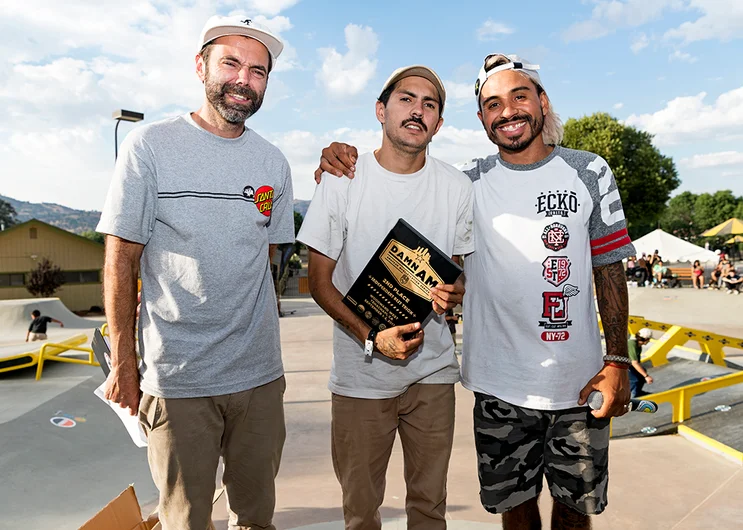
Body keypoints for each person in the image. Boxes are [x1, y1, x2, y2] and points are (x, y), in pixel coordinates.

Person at [315, 53, 635, 530]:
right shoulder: (467, 181)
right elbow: (426, 212)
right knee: (515, 512)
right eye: (492, 104)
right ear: (481, 118)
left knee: (575, 515)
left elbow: (609, 269)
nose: (508, 111)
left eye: (519, 96)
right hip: (496, 384)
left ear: (543, 102)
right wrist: (338, 156)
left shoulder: (588, 170)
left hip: (578, 383)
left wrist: (617, 362)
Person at [96, 15, 294, 530]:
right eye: (231, 62)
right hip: (179, 380)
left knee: (256, 518)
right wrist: (124, 364)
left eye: (258, 71)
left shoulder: (273, 163)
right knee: (185, 521)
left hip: (259, 378)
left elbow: (269, 258)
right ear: (200, 66)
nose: (244, 80)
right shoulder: (150, 146)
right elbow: (121, 259)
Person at [298, 65, 473, 530]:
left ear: (438, 124)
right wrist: (372, 336)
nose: (417, 110)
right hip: (361, 378)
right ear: (381, 110)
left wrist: (454, 291)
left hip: (433, 372)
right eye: (406, 99)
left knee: (429, 507)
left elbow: (457, 273)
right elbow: (318, 282)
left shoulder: (456, 187)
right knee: (360, 512)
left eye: (429, 105)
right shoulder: (342, 178)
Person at [628, 328, 654, 397]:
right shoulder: (632, 344)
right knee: (634, 380)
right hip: (621, 365)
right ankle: (631, 398)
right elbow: (634, 363)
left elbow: (637, 363)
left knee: (641, 373)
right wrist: (646, 376)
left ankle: (637, 392)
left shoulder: (638, 346)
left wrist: (643, 374)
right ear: (645, 339)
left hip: (628, 365)